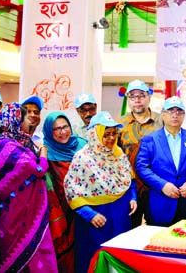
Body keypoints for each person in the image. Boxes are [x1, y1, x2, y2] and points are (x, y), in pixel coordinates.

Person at [0, 102, 58, 273]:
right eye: (24, 117)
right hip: (16, 216)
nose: (29, 121)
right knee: (18, 254)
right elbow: (38, 169)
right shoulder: (10, 147)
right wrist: (44, 155)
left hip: (24, 211)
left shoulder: (18, 143)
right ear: (15, 122)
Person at [66, 111, 137, 273]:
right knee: (94, 261)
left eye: (114, 134)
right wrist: (89, 214)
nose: (111, 138)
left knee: (119, 259)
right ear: (94, 135)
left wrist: (133, 197)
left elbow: (130, 179)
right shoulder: (82, 158)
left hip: (120, 216)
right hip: (96, 221)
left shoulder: (118, 154)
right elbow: (71, 192)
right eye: (106, 135)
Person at [136, 96, 186, 226]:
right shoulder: (150, 140)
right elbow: (142, 167)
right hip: (161, 203)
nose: (175, 115)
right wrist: (162, 185)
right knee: (158, 244)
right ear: (163, 115)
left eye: (179, 111)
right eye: (170, 111)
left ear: (183, 115)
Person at [43, 112, 87, 272]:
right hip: (59, 211)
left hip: (85, 210)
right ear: (49, 131)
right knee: (64, 257)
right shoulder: (45, 152)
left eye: (65, 127)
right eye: (56, 129)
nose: (63, 132)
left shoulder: (83, 146)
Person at [118, 79, 163, 228]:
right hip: (130, 188)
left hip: (157, 186)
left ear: (149, 97)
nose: (137, 100)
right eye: (132, 96)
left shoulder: (162, 121)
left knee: (156, 227)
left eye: (141, 96)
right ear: (128, 100)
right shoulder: (119, 124)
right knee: (129, 230)